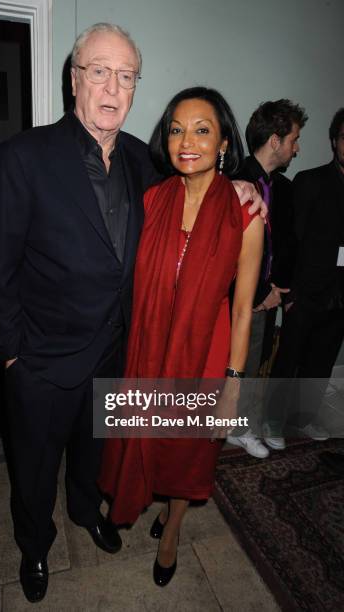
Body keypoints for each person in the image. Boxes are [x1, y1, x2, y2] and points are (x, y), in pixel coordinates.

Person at [0, 23, 265, 603]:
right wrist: (12, 355)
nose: (112, 88)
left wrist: (240, 185)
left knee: (94, 454)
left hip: (116, 352)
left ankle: (88, 512)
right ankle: (34, 547)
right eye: (100, 71)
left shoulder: (141, 160)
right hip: (41, 360)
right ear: (74, 79)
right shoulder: (21, 157)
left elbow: (197, 177)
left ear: (135, 89)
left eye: (126, 76)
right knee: (33, 471)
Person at [99, 87, 264, 587]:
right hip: (150, 347)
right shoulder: (153, 199)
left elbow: (242, 310)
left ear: (223, 143)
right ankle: (150, 501)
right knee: (147, 435)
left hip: (207, 352)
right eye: (176, 129)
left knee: (188, 449)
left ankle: (172, 527)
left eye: (202, 129)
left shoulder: (246, 213)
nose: (186, 140)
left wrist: (233, 381)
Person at [227, 99, 307, 458]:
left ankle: (239, 424)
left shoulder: (285, 189)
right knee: (239, 362)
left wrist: (281, 290)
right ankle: (238, 427)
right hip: (242, 297)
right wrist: (259, 293)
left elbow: (287, 244)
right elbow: (230, 252)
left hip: (272, 294)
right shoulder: (234, 179)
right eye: (293, 138)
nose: (297, 147)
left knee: (259, 363)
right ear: (275, 140)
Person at [265, 108, 344, 445]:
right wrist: (292, 291)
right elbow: (292, 241)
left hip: (341, 296)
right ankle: (271, 421)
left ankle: (304, 419)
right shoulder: (310, 182)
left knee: (320, 362)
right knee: (289, 359)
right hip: (305, 291)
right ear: (334, 142)